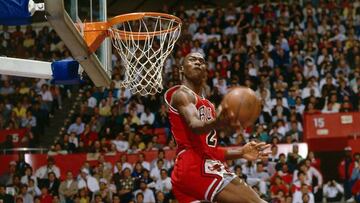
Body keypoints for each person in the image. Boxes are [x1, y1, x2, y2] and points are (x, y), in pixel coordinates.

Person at [164, 52, 269, 202]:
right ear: (181, 69)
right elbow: (194, 124)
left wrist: (241, 152)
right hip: (195, 165)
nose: (198, 62)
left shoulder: (209, 105)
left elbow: (210, 150)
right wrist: (217, 122)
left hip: (193, 169)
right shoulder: (182, 95)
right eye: (192, 60)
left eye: (201, 61)